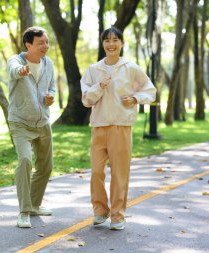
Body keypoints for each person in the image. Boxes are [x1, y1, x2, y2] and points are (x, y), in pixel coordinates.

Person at [80, 27, 156, 230]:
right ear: (102, 43)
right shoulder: (94, 69)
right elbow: (86, 100)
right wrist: (99, 87)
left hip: (122, 127)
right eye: (107, 40)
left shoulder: (130, 68)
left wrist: (136, 98)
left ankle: (118, 215)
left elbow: (150, 90)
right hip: (99, 126)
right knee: (96, 171)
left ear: (121, 43)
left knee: (120, 173)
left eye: (115, 40)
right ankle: (100, 211)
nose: (111, 44)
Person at [7, 27, 56, 228]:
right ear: (29, 45)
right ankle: (24, 211)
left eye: (46, 42)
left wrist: (50, 97)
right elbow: (13, 70)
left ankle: (35, 204)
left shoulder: (48, 63)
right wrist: (21, 71)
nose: (45, 46)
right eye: (40, 43)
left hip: (43, 121)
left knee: (46, 166)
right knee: (25, 160)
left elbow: (51, 86)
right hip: (20, 121)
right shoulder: (16, 61)